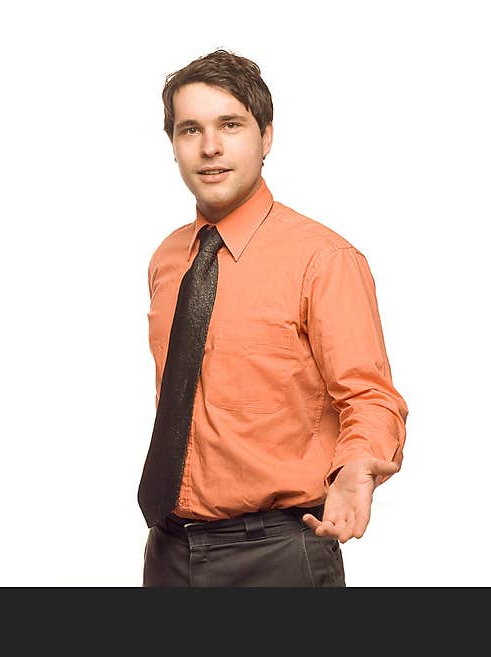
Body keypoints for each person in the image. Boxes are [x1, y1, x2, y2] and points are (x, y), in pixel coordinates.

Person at [137, 49, 409, 587]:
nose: (210, 147)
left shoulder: (324, 260)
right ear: (172, 146)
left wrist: (357, 467)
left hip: (277, 556)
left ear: (266, 136)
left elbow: (371, 397)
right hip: (168, 552)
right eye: (190, 129)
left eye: (230, 125)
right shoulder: (169, 259)